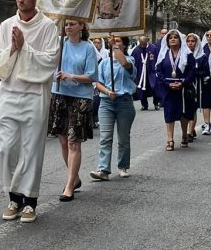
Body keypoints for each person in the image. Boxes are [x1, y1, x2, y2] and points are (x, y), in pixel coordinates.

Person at [0, 0, 60, 223]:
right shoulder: (7, 24)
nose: (20, 0)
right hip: (9, 92)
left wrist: (24, 48)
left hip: (35, 95)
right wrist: (13, 49)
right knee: (6, 148)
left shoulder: (49, 26)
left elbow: (51, 60)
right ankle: (13, 196)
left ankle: (28, 202)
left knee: (31, 149)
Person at [47, 18, 97, 200]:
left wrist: (71, 76)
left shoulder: (88, 48)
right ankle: (74, 178)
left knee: (73, 142)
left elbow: (91, 76)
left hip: (80, 98)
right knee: (62, 141)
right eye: (66, 24)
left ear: (81, 27)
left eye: (72, 24)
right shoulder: (59, 44)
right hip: (59, 95)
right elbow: (48, 65)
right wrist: (56, 76)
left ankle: (69, 186)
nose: (68, 27)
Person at [91, 35, 136, 179]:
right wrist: (107, 92)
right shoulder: (104, 63)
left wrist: (114, 46)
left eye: (118, 42)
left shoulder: (130, 60)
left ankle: (123, 166)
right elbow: (97, 82)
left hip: (124, 103)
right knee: (105, 137)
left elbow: (125, 64)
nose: (114, 44)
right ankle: (103, 169)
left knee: (123, 138)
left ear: (124, 46)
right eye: (112, 42)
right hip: (106, 103)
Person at [154, 29, 194, 149]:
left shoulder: (187, 55)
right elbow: (158, 71)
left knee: (183, 113)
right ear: (167, 41)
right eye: (170, 37)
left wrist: (183, 83)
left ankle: (184, 136)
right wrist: (167, 84)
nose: (172, 39)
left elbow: (192, 71)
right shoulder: (163, 54)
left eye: (175, 37)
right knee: (169, 112)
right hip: (168, 88)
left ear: (180, 40)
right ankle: (170, 139)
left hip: (183, 87)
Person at [130, 33, 159, 111]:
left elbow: (157, 59)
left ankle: (156, 103)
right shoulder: (136, 50)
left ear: (147, 42)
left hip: (151, 72)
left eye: (144, 44)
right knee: (142, 90)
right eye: (141, 44)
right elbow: (133, 62)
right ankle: (144, 105)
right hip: (141, 73)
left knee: (154, 87)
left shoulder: (153, 48)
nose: (142, 46)